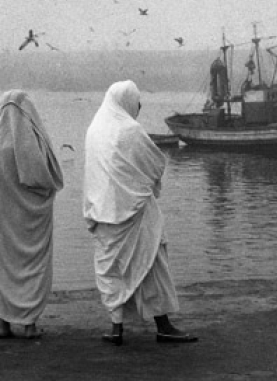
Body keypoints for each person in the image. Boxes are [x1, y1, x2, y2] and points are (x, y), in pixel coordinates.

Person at [83, 80, 198, 346]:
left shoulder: (94, 130)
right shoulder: (130, 130)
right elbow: (156, 163)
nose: (140, 106)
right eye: (137, 100)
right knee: (153, 263)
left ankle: (116, 327)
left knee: (112, 270)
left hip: (103, 211)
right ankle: (163, 326)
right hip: (134, 212)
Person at [0, 90, 64, 340]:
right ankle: (29, 325)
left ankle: (3, 323)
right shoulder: (24, 143)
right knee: (30, 265)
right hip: (26, 223)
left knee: (2, 267)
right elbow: (41, 179)